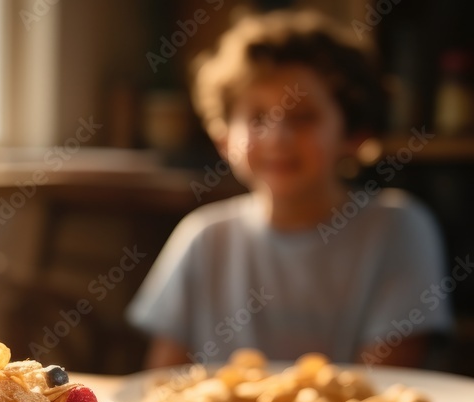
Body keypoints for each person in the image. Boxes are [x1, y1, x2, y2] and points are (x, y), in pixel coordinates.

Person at [126, 10, 452, 369]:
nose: (278, 138)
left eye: (303, 117)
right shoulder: (202, 236)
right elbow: (161, 384)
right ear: (223, 139)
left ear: (353, 135)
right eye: (258, 118)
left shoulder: (400, 229)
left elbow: (387, 390)